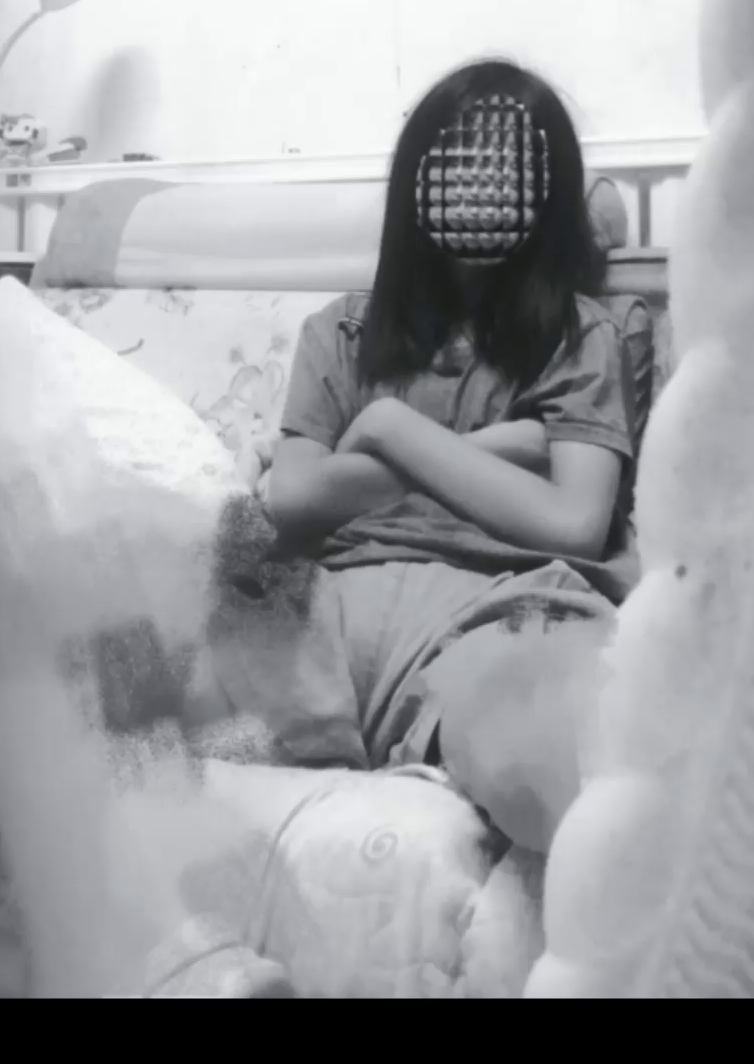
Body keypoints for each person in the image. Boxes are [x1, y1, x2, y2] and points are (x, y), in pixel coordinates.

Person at [256, 58, 652, 853]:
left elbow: (573, 523)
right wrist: (496, 446)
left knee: (570, 777)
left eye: (507, 167)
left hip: (498, 617)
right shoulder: (340, 332)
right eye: (460, 160)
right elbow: (289, 502)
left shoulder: (582, 337)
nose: (480, 186)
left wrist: (384, 433)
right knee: (113, 711)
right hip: (321, 615)